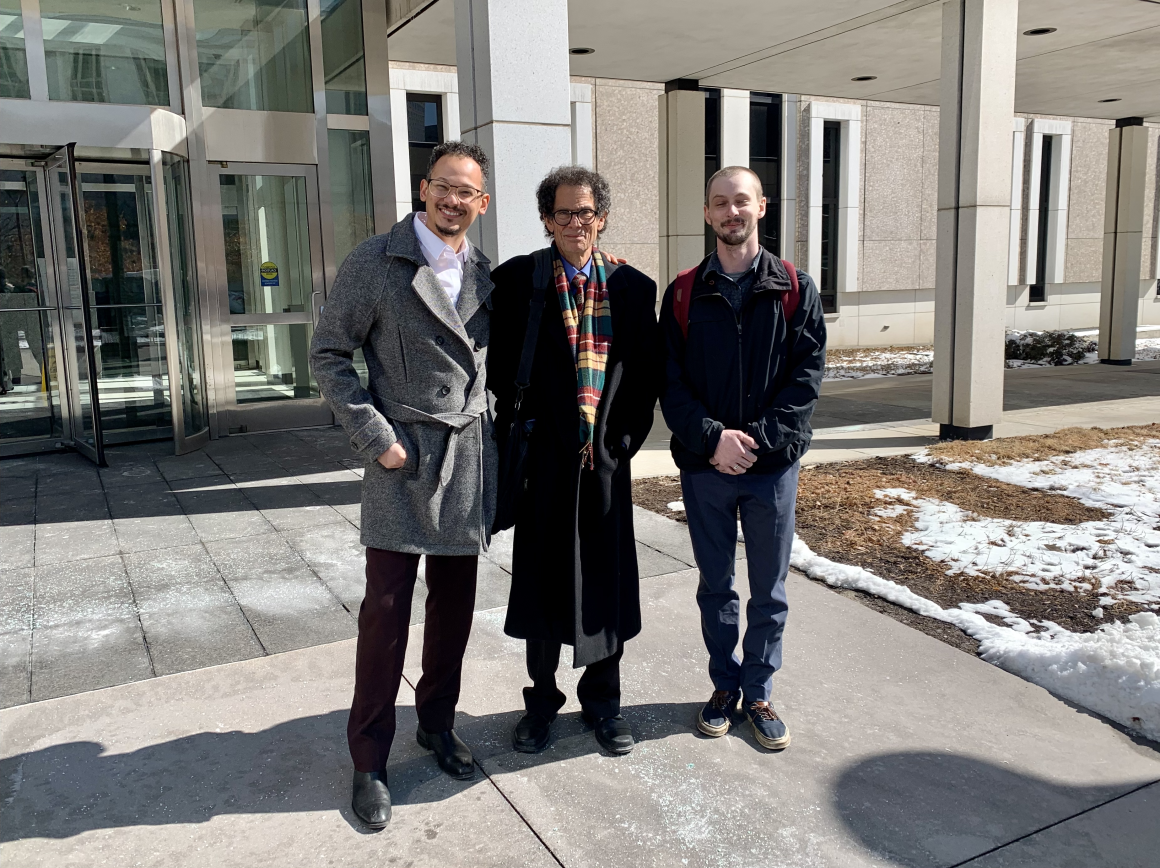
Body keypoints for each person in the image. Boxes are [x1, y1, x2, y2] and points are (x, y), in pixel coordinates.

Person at [310, 141, 496, 830]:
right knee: (384, 617)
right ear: (424, 190)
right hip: (402, 457)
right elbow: (328, 353)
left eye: (467, 192)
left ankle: (438, 726)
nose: (454, 201)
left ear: (482, 203)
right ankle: (369, 760)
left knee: (453, 612)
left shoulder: (484, 272)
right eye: (443, 187)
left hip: (465, 460)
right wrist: (376, 437)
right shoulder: (377, 260)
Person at [489, 166, 660, 756]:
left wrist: (619, 445)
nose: (573, 223)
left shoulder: (635, 288)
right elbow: (501, 370)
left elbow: (643, 379)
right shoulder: (517, 281)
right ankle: (541, 702)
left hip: (604, 467)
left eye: (584, 212)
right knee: (540, 587)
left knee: (606, 585)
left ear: (602, 217)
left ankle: (604, 703)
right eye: (562, 213)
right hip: (543, 468)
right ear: (545, 219)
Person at [659, 165, 826, 751]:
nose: (732, 212)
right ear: (707, 213)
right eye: (720, 203)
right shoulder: (682, 292)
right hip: (707, 469)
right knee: (716, 585)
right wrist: (712, 439)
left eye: (742, 202)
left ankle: (758, 689)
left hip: (771, 469)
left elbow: (805, 383)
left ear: (762, 207)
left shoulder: (795, 288)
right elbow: (671, 384)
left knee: (769, 588)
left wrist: (752, 439)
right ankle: (724, 686)